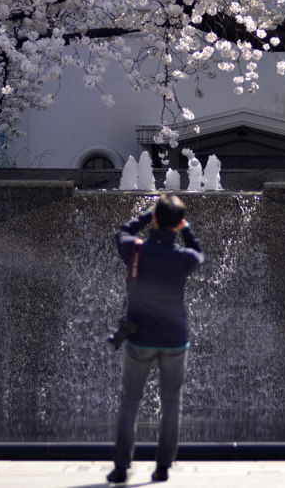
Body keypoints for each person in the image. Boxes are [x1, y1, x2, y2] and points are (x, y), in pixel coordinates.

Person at [107, 194, 205, 484]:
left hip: (140, 340)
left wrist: (146, 215)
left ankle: (121, 468)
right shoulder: (183, 259)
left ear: (156, 220)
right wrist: (185, 229)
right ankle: (162, 468)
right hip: (175, 341)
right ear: (176, 226)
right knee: (172, 403)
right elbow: (199, 253)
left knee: (129, 403)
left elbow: (121, 232)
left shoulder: (135, 250)